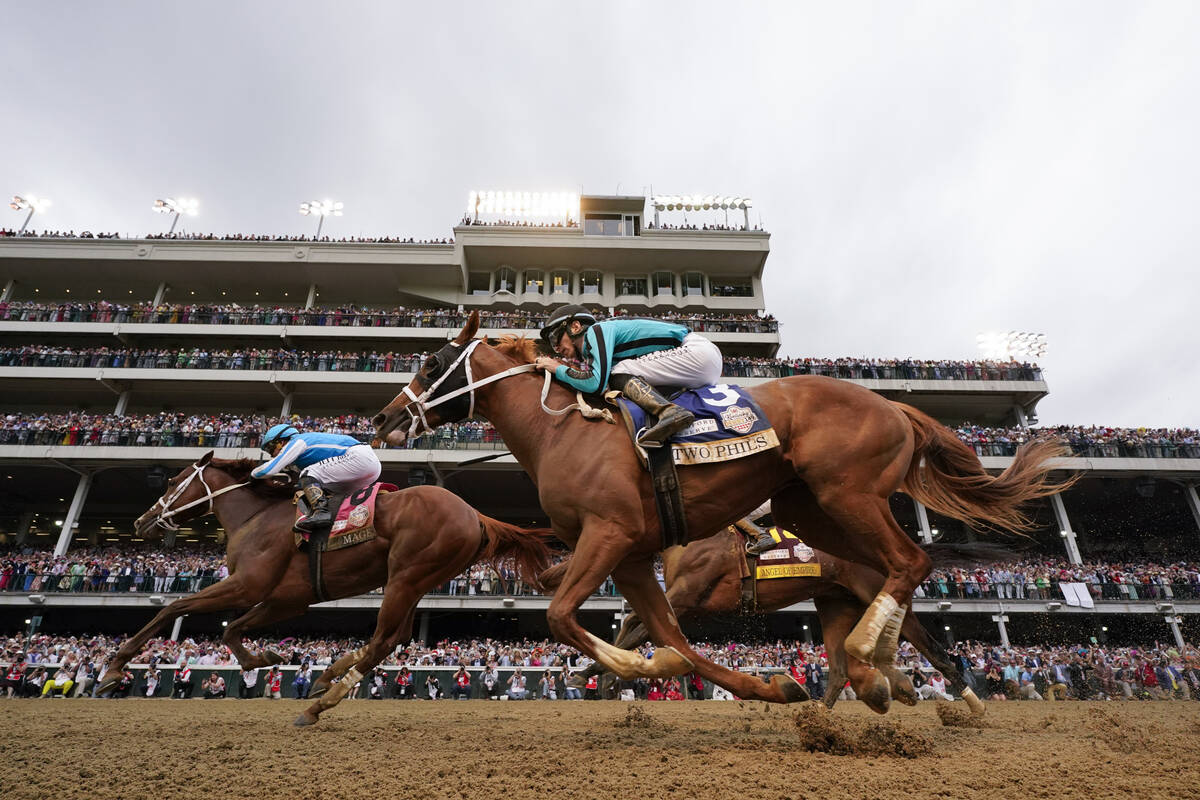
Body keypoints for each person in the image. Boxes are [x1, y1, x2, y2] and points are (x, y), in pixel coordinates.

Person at [535, 305, 722, 446]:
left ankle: (670, 412)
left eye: (555, 339)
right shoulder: (596, 348)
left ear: (575, 326)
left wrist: (556, 368)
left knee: (618, 371)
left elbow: (595, 383)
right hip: (696, 362)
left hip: (695, 351)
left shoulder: (596, 331)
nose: (557, 349)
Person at [251, 423, 382, 537]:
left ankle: (322, 512)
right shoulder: (301, 450)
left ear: (281, 442)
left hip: (358, 458)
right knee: (318, 489)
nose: (271, 454)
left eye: (270, 448)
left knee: (308, 473)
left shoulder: (297, 441)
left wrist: (250, 475)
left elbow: (269, 470)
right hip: (368, 466)